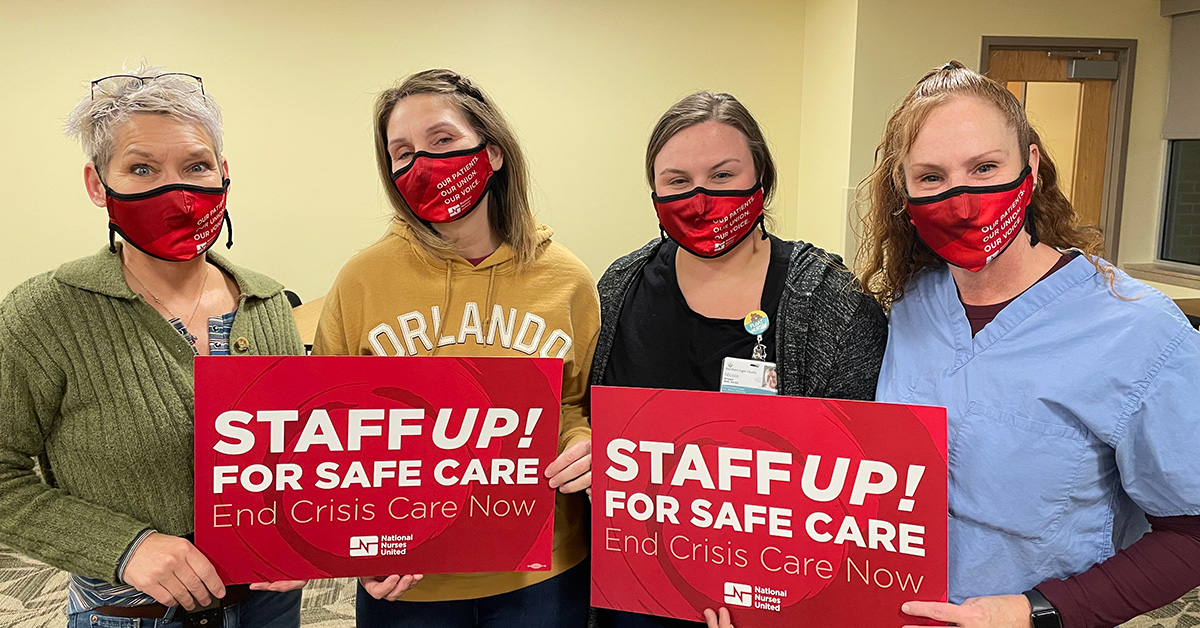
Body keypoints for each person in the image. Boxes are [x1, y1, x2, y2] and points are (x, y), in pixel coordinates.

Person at [857, 61, 1200, 628]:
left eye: (986, 167)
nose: (962, 200)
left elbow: (1190, 532)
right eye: (931, 178)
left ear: (1032, 168)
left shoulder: (1138, 331)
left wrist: (1036, 611)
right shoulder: (912, 305)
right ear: (904, 192)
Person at [0, 67, 306, 627]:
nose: (179, 192)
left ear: (224, 175)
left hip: (270, 605)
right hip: (130, 612)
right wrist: (124, 547)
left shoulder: (268, 306)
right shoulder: (43, 316)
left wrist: (310, 537)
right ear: (99, 184)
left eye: (196, 166)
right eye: (142, 169)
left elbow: (298, 458)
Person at [311, 69, 599, 628]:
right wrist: (351, 543)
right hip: (407, 575)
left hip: (541, 572)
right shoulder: (362, 278)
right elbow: (326, 425)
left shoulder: (568, 278)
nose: (422, 164)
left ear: (491, 153)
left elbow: (574, 402)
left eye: (442, 141)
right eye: (402, 153)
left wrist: (582, 441)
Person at [591, 90, 888, 628]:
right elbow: (592, 420)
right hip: (636, 593)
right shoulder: (620, 287)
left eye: (723, 176)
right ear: (654, 192)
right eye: (678, 181)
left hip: (774, 596)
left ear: (762, 179)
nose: (700, 198)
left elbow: (864, 471)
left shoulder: (828, 300)